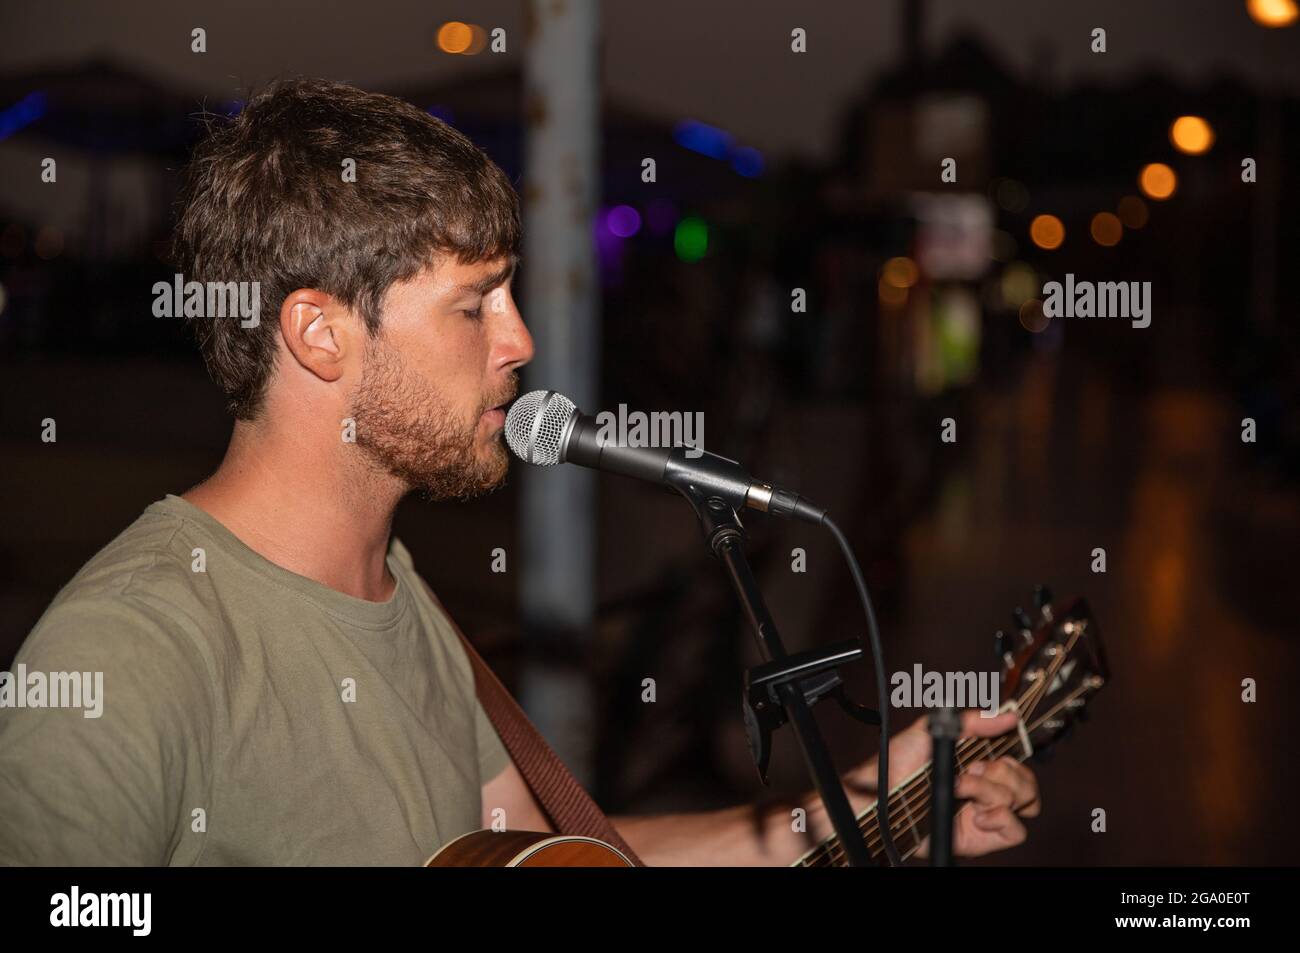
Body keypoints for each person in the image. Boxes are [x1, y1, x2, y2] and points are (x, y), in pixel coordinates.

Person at [0, 78, 1038, 866]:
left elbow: (558, 853)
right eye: (475, 303)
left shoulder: (398, 588)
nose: (522, 339)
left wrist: (854, 802)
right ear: (318, 333)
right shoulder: (129, 651)